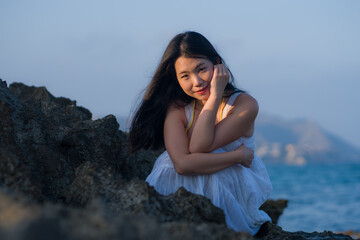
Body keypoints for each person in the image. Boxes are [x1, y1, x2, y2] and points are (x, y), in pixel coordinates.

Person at [129, 31, 272, 235]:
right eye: (185, 76)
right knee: (168, 163)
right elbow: (181, 164)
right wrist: (237, 156)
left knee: (206, 163)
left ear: (217, 63)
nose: (196, 81)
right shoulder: (177, 108)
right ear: (176, 78)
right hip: (184, 189)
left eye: (201, 69)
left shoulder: (243, 105)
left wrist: (214, 96)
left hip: (232, 189)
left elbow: (199, 146)